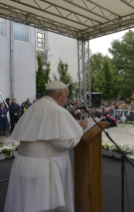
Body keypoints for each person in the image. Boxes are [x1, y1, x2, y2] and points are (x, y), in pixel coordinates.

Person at [4, 81, 89, 212]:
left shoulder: (34, 106)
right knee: (42, 205)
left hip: (24, 164)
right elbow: (65, 142)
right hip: (44, 168)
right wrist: (80, 128)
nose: (67, 100)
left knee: (26, 203)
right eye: (66, 96)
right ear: (60, 94)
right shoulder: (55, 110)